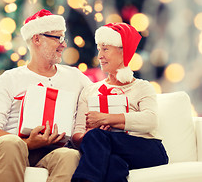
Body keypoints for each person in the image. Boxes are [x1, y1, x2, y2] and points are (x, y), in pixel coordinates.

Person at [0, 9, 92, 182]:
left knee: (69, 156)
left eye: (64, 38)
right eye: (58, 38)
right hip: (11, 150)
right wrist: (26, 143)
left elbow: (97, 98)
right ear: (37, 39)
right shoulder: (9, 79)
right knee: (11, 143)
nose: (63, 44)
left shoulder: (75, 77)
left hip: (51, 153)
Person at [71, 23, 169, 182]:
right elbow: (77, 135)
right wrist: (87, 136)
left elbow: (151, 121)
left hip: (148, 150)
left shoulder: (142, 87)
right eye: (99, 49)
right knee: (113, 164)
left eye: (106, 49)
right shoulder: (90, 90)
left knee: (98, 138)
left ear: (124, 51)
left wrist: (105, 119)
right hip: (107, 149)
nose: (100, 55)